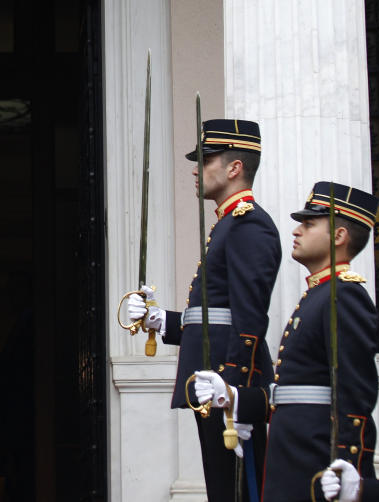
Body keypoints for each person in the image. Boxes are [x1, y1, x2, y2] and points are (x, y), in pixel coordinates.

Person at [195, 181, 379, 501]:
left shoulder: (344, 296)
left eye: (309, 224)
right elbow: (293, 391)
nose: (297, 231)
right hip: (294, 457)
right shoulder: (319, 296)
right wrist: (236, 398)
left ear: (339, 236)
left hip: (315, 463)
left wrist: (348, 468)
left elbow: (354, 394)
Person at [127, 119, 280, 501]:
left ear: (234, 168)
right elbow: (212, 317)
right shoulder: (228, 224)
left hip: (226, 380)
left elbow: (249, 318)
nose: (197, 168)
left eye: (207, 159)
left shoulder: (248, 224)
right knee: (221, 488)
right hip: (214, 376)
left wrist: (236, 389)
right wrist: (161, 321)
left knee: (237, 491)